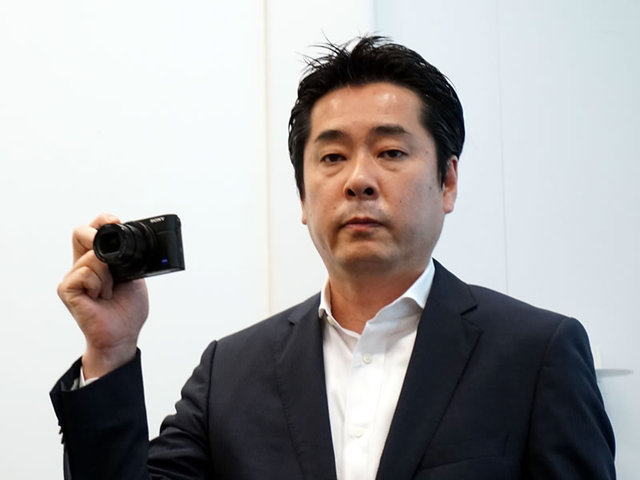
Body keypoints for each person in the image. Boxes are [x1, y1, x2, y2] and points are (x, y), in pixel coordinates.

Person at [51, 36, 616, 479]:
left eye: (390, 151)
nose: (358, 180)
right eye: (332, 157)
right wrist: (110, 352)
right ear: (302, 197)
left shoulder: (537, 354)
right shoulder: (231, 372)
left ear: (447, 181)